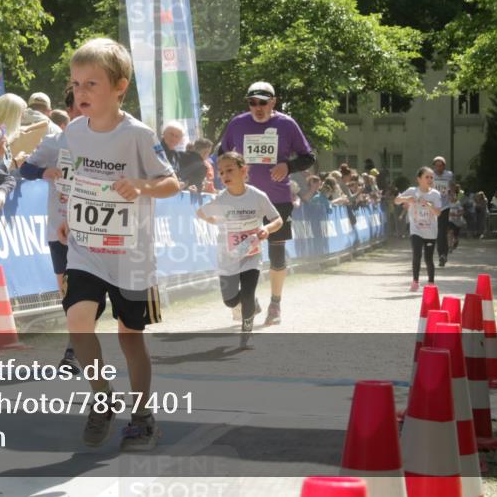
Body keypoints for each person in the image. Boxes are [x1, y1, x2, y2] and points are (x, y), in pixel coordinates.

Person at [59, 38, 179, 451]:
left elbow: (172, 183)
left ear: (119, 87)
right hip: (87, 250)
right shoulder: (73, 132)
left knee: (130, 337)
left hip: (132, 255)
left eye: (91, 84)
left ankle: (142, 416)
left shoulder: (138, 135)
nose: (81, 92)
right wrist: (66, 217)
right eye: (76, 84)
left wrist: (142, 185)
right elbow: (72, 179)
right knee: (78, 321)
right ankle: (102, 397)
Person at [219, 81, 315, 325]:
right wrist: (231, 173)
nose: (257, 107)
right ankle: (247, 300)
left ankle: (275, 304)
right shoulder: (237, 123)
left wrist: (288, 166)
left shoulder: (286, 124)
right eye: (252, 103)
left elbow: (308, 157)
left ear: (273, 102)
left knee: (276, 255)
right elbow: (222, 154)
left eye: (262, 102)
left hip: (277, 199)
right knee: (240, 254)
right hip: (244, 199)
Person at [20, 83, 84, 372]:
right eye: (80, 107)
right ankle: (76, 348)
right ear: (69, 110)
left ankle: (75, 349)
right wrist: (44, 171)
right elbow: (24, 168)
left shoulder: (107, 141)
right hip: (59, 228)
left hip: (94, 231)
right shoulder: (55, 141)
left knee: (88, 294)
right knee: (69, 294)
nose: (86, 112)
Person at [197, 152, 282, 341]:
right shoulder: (221, 199)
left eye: (229, 170)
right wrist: (217, 221)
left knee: (248, 292)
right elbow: (201, 213)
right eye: (221, 172)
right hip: (228, 256)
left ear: (243, 171)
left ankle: (246, 332)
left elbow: (278, 220)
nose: (224, 175)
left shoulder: (257, 196)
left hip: (251, 253)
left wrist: (266, 229)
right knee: (230, 301)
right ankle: (250, 304)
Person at [394, 167, 442, 292]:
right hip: (416, 229)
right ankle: (415, 281)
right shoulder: (412, 191)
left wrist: (429, 205)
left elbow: (438, 213)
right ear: (419, 179)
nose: (430, 179)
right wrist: (406, 199)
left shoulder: (435, 194)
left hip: (430, 231)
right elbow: (396, 200)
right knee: (417, 254)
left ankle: (431, 283)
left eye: (431, 177)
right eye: (427, 177)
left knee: (428, 258)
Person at [430, 155, 455, 267]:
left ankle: (442, 255)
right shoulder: (431, 175)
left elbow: (452, 185)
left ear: (444, 166)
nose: (438, 168)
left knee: (442, 230)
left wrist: (452, 195)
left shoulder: (449, 175)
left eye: (440, 166)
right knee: (436, 231)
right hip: (433, 206)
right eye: (436, 166)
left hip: (444, 206)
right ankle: (441, 253)